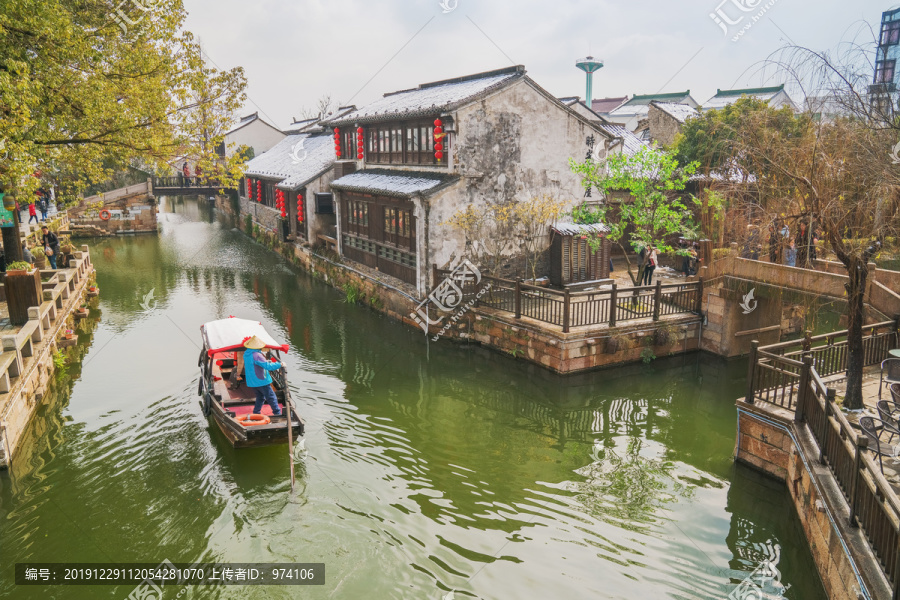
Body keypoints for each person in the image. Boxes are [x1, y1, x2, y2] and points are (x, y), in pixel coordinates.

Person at [242, 335, 283, 416]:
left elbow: (256, 364)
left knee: (260, 397)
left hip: (252, 382)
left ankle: (256, 412)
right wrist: (280, 364)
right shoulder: (257, 355)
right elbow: (268, 367)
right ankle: (277, 413)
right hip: (261, 381)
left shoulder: (246, 354)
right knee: (271, 397)